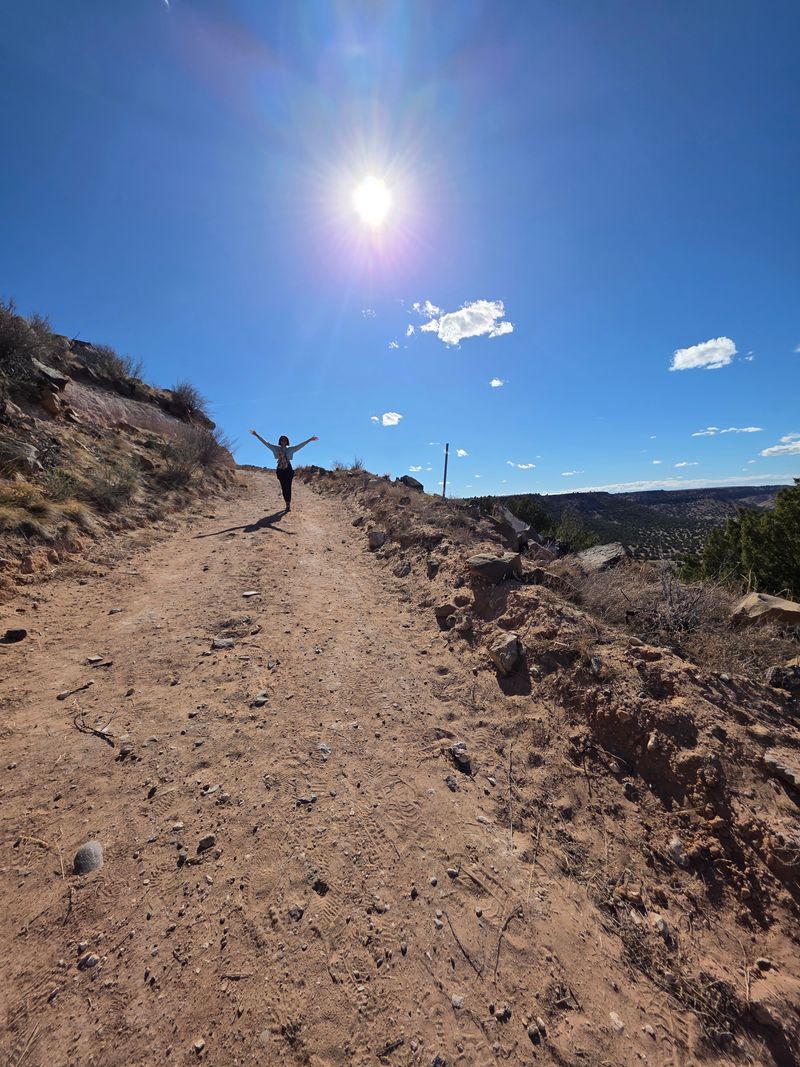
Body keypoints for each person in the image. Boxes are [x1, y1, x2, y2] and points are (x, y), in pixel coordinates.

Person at [250, 429, 318, 511]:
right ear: (280, 441)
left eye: (285, 440)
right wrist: (257, 435)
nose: (283, 442)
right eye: (282, 440)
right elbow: (266, 443)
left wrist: (309, 440)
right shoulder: (275, 448)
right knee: (283, 487)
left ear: (287, 442)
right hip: (280, 470)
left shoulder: (290, 449)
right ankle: (286, 502)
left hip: (288, 470)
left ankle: (288, 505)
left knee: (288, 487)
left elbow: (300, 445)